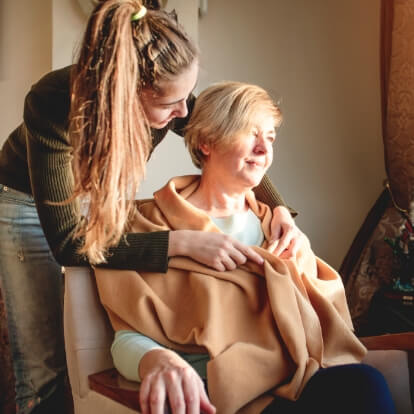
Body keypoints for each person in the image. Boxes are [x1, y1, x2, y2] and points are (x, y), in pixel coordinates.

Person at [0, 1, 303, 413]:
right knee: (44, 367)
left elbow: (221, 133)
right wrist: (179, 243)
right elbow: (71, 244)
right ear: (124, 95)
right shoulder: (51, 106)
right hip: (26, 204)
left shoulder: (169, 90)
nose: (183, 114)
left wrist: (278, 206)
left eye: (186, 98)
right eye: (170, 106)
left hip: (99, 198)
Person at [95, 82, 397, 414]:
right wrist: (157, 359)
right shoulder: (148, 226)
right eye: (249, 133)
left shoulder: (276, 227)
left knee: (365, 384)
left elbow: (322, 323)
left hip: (292, 378)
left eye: (270, 138)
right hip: (216, 391)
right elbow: (127, 335)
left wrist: (301, 259)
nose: (264, 150)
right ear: (207, 142)